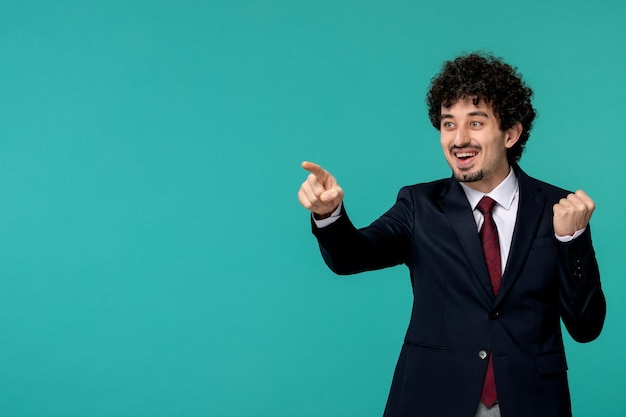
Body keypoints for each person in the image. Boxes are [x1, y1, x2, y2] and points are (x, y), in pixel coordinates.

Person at [297, 52, 606, 417]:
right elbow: (352, 256)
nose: (459, 139)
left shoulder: (557, 206)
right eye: (448, 124)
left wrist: (572, 241)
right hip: (433, 398)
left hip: (532, 401)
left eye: (475, 123)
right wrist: (328, 214)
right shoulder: (419, 205)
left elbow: (586, 327)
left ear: (511, 133)